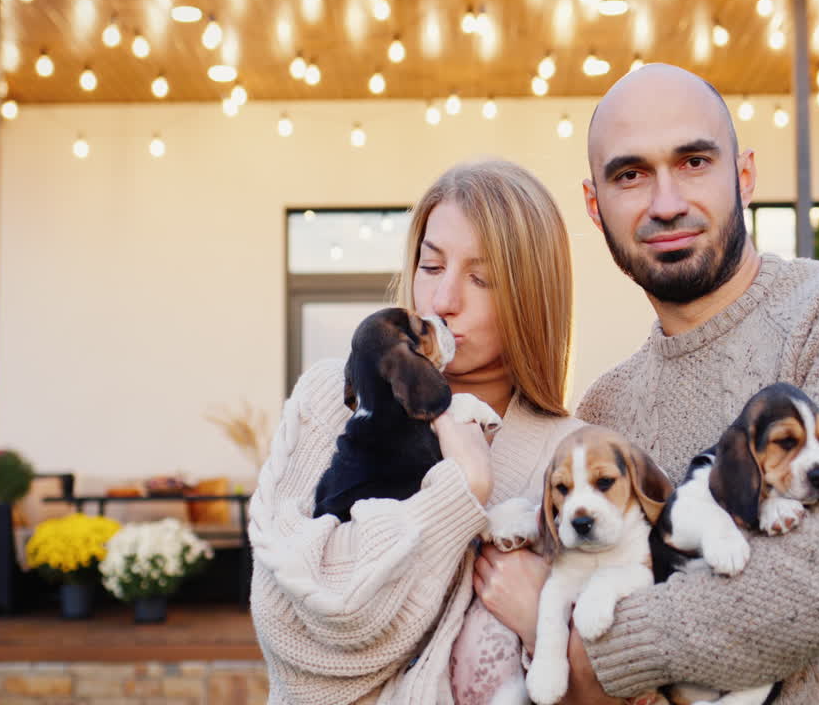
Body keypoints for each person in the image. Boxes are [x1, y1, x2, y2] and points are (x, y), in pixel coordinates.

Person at [473, 64, 819, 704]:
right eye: (630, 174)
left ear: (744, 176)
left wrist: (586, 634)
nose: (666, 203)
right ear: (594, 205)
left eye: (694, 162)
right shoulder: (605, 410)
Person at [248, 159, 585, 704]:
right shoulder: (330, 401)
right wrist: (460, 494)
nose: (443, 301)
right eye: (431, 267)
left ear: (532, 297)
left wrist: (537, 623)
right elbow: (293, 643)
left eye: (482, 278)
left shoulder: (569, 456)